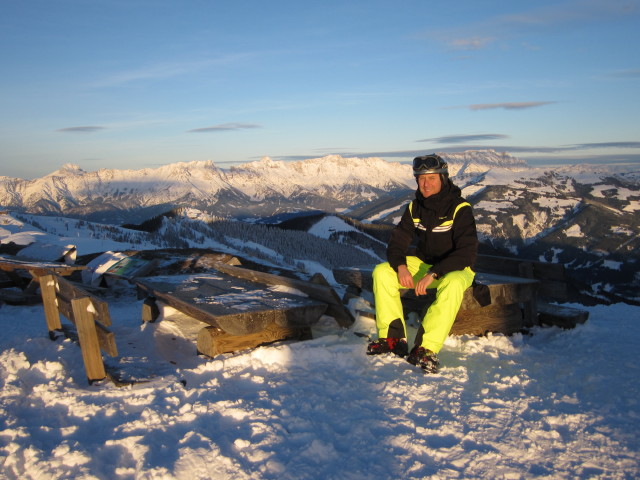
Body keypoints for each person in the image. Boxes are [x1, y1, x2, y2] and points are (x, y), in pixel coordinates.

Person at [367, 154, 478, 373]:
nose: (425, 184)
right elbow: (397, 243)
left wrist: (434, 273)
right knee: (382, 271)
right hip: (425, 264)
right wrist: (401, 266)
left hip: (456, 268)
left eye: (431, 178)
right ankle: (392, 339)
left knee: (453, 283)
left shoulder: (459, 208)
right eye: (421, 179)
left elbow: (466, 252)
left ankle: (425, 349)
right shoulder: (414, 208)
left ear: (443, 179)